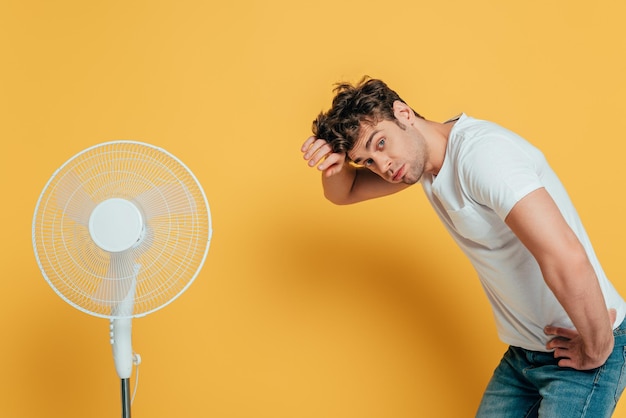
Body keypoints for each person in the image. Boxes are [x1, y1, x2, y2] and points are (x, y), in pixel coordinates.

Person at [300, 77, 626, 417]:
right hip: (526, 353)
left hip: (583, 344)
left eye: (380, 144)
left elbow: (564, 256)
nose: (382, 166)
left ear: (404, 113)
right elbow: (345, 192)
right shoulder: (425, 162)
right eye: (367, 161)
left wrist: (598, 346)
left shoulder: (482, 157)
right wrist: (333, 165)